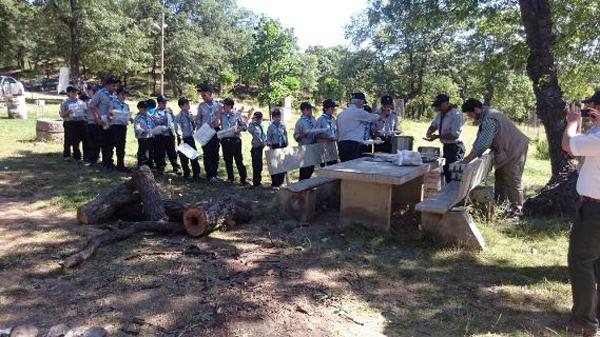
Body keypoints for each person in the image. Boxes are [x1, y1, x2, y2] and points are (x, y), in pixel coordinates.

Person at [561, 91, 600, 337]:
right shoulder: (596, 133)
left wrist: (573, 123)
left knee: (581, 261)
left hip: (595, 208)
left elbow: (568, 145)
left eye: (592, 107)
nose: (589, 111)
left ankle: (584, 320)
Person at [460, 98, 529, 217]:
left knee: (512, 180)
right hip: (508, 149)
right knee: (500, 177)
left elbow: (483, 144)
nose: (470, 116)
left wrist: (466, 160)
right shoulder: (487, 114)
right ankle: (500, 207)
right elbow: (480, 140)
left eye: (470, 113)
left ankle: (517, 211)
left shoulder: (489, 119)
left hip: (514, 149)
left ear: (476, 109)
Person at [425, 94, 465, 183]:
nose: (439, 108)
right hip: (446, 147)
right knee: (447, 173)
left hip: (455, 148)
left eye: (440, 105)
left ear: (447, 103)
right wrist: (430, 131)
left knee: (454, 176)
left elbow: (454, 135)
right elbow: (434, 124)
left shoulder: (456, 115)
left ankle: (456, 196)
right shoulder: (440, 114)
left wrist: (437, 136)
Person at [336, 92, 382, 162]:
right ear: (360, 102)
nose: (363, 106)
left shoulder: (341, 114)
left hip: (341, 144)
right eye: (363, 103)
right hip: (352, 145)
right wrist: (381, 117)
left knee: (345, 167)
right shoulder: (358, 112)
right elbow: (372, 117)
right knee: (354, 167)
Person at [89, 76, 119, 171]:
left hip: (112, 122)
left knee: (111, 143)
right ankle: (106, 164)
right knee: (105, 143)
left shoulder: (114, 95)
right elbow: (91, 105)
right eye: (113, 86)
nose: (115, 88)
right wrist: (97, 118)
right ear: (108, 85)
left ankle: (110, 161)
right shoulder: (100, 94)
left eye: (115, 86)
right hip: (103, 122)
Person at [197, 85, 223, 182]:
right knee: (207, 153)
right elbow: (198, 120)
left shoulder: (219, 105)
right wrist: (200, 131)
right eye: (202, 95)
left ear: (210, 94)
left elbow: (222, 118)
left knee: (215, 152)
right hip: (205, 131)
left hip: (216, 131)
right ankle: (209, 175)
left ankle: (215, 174)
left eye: (205, 95)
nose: (203, 97)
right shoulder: (201, 106)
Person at [220, 98, 248, 184]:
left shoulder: (237, 114)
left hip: (235, 140)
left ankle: (243, 179)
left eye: (224, 105)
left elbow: (245, 127)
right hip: (225, 140)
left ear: (229, 106)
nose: (223, 106)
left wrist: (238, 129)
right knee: (227, 160)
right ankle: (230, 178)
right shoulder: (222, 115)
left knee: (238, 160)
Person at [153, 95, 181, 176]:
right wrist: (165, 119)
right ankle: (160, 168)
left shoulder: (169, 110)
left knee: (172, 152)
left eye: (166, 102)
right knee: (160, 152)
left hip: (170, 134)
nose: (165, 104)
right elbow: (157, 122)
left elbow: (174, 120)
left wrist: (172, 116)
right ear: (159, 103)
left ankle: (176, 167)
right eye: (163, 102)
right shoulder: (156, 112)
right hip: (160, 135)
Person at [175, 97, 201, 180]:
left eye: (188, 103)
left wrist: (193, 120)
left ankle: (196, 174)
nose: (188, 105)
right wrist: (181, 137)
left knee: (194, 156)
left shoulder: (190, 113)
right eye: (186, 104)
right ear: (181, 106)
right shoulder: (178, 116)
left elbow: (193, 125)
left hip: (191, 137)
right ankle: (186, 174)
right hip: (183, 138)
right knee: (184, 158)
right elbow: (177, 128)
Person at [59, 85, 87, 162]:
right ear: (69, 93)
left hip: (80, 121)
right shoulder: (65, 102)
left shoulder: (81, 102)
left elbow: (85, 112)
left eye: (75, 91)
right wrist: (68, 112)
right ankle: (67, 155)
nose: (74, 93)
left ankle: (77, 156)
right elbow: (62, 115)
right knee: (68, 139)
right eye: (72, 92)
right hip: (69, 122)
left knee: (77, 140)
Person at [107, 87, 131, 173]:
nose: (125, 96)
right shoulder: (113, 103)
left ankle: (121, 165)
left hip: (122, 126)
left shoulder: (126, 105)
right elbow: (109, 114)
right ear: (118, 94)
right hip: (114, 126)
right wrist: (113, 114)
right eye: (123, 94)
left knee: (121, 146)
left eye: (125, 94)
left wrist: (129, 118)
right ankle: (109, 163)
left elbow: (128, 115)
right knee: (111, 144)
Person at [294, 102, 318, 180]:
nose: (311, 111)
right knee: (305, 170)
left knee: (311, 168)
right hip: (305, 148)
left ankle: (307, 186)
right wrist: (303, 135)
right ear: (304, 110)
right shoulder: (300, 122)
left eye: (311, 109)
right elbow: (296, 137)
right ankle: (302, 186)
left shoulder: (314, 120)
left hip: (314, 147)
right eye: (309, 109)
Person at [266, 109, 288, 187]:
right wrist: (271, 146)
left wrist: (286, 143)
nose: (277, 118)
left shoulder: (282, 125)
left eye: (279, 116)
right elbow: (268, 138)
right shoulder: (271, 127)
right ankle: (275, 183)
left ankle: (281, 181)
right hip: (274, 146)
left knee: (282, 164)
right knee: (275, 165)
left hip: (282, 145)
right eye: (275, 116)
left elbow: (285, 134)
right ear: (273, 117)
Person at [316, 98, 339, 166]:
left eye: (334, 108)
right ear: (326, 109)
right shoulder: (320, 119)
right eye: (331, 108)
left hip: (332, 147)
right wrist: (325, 138)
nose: (333, 110)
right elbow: (316, 135)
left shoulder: (333, 119)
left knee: (334, 166)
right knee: (326, 169)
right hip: (324, 147)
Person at [247, 111, 267, 187]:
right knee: (256, 166)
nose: (259, 119)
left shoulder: (261, 125)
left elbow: (264, 135)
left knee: (260, 166)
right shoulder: (252, 126)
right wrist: (252, 120)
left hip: (261, 147)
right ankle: (256, 183)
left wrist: (265, 142)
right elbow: (250, 130)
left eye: (260, 118)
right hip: (255, 148)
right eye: (257, 118)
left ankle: (259, 181)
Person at [133, 100, 155, 168]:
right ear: (139, 108)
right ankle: (142, 166)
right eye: (144, 108)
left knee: (150, 152)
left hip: (150, 136)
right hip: (143, 137)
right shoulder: (137, 118)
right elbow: (137, 128)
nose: (145, 110)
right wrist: (143, 131)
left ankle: (150, 165)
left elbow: (152, 124)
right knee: (143, 153)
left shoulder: (148, 116)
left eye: (146, 108)